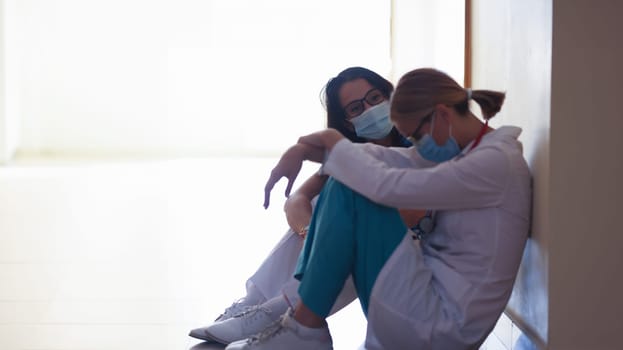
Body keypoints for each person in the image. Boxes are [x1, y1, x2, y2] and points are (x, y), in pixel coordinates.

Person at [226, 67, 531, 350]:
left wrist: (331, 140)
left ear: (441, 114)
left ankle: (302, 326)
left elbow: (385, 185)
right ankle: (295, 320)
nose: (417, 146)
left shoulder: (494, 162)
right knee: (344, 181)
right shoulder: (470, 154)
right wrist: (302, 149)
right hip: (422, 301)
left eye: (417, 136)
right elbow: (382, 157)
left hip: (440, 325)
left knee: (351, 186)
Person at [188, 66, 426, 345]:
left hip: (415, 257)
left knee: (350, 220)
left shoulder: (420, 145)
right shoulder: (350, 153)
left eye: (375, 98)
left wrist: (330, 240)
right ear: (348, 122)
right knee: (322, 205)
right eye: (356, 107)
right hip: (383, 257)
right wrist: (311, 234)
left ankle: (282, 313)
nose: (371, 108)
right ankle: (256, 305)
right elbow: (297, 200)